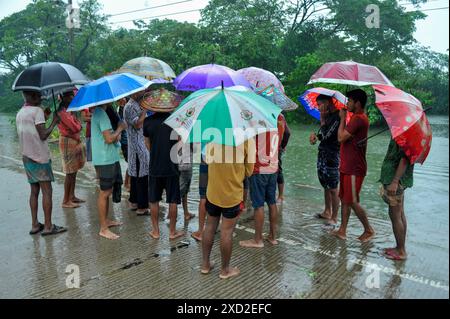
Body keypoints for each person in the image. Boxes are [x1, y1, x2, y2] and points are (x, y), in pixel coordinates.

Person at [16, 90, 67, 236]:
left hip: (26, 157)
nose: (41, 98)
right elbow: (43, 135)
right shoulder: (37, 111)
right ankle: (49, 226)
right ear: (32, 96)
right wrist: (54, 122)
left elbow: (31, 130)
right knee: (47, 191)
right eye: (38, 95)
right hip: (39, 158)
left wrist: (46, 116)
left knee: (34, 191)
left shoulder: (20, 112)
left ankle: (35, 224)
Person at [201, 141, 255, 279]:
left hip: (213, 192)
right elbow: (249, 171)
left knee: (209, 227)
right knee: (227, 232)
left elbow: (206, 160)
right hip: (232, 194)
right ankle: (225, 270)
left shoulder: (213, 136)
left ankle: (205, 265)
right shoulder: (247, 139)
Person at [331, 89, 375, 242]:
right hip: (347, 165)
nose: (347, 103)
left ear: (357, 103)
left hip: (354, 168)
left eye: (349, 100)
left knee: (352, 201)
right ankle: (342, 230)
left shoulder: (359, 119)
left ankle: (369, 230)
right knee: (345, 199)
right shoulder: (356, 117)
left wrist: (342, 119)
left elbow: (341, 138)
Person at [239, 117, 283, 248]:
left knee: (258, 205)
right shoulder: (279, 119)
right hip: (273, 166)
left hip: (259, 167)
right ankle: (273, 237)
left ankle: (257, 239)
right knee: (271, 202)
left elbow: (249, 141)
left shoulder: (258, 120)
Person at [143, 109, 184, 240]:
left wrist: (155, 153)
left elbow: (147, 143)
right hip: (172, 166)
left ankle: (156, 231)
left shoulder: (148, 121)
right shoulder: (175, 121)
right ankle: (172, 232)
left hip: (155, 166)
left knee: (154, 199)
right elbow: (180, 142)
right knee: (173, 200)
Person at [91, 102, 127, 240]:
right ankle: (103, 228)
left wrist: (116, 132)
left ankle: (105, 221)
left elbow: (112, 137)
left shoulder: (102, 113)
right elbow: (109, 138)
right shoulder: (100, 113)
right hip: (104, 158)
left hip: (109, 157)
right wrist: (120, 128)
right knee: (105, 192)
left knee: (108, 190)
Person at [380, 138, 414, 260]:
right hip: (397, 180)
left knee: (395, 215)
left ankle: (401, 251)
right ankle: (400, 247)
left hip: (396, 181)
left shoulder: (406, 134)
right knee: (399, 214)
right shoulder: (402, 132)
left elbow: (404, 159)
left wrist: (394, 181)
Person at [310, 95, 341, 225]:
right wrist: (315, 137)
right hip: (323, 153)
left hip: (332, 155)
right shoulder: (328, 116)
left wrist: (322, 120)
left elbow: (329, 136)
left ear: (327, 103)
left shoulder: (337, 117)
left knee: (333, 187)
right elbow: (323, 137)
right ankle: (327, 211)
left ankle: (334, 217)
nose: (318, 108)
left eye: (319, 105)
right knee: (325, 184)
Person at [57, 90, 86, 209]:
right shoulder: (61, 112)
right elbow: (75, 127)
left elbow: (78, 125)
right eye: (70, 96)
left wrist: (77, 125)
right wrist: (77, 125)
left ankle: (72, 196)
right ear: (64, 97)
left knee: (74, 171)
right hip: (67, 141)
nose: (72, 97)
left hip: (73, 141)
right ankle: (65, 200)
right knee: (69, 171)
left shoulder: (68, 111)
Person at [123, 91, 150, 215]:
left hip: (140, 145)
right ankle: (142, 207)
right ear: (134, 93)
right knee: (141, 176)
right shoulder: (129, 106)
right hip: (137, 146)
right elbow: (138, 124)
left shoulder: (136, 104)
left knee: (136, 175)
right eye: (141, 91)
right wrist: (145, 111)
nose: (143, 92)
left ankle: (134, 201)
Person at [191, 150, 208, 241]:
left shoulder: (202, 135)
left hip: (205, 162)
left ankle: (201, 232)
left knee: (203, 197)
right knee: (218, 196)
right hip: (220, 164)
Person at [178, 142, 195, 221]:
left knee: (183, 192)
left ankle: (186, 213)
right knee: (181, 192)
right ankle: (173, 214)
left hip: (176, 167)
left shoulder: (176, 134)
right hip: (186, 168)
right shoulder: (189, 137)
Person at [277, 112, 290, 203]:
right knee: (278, 169)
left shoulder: (263, 112)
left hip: (267, 147)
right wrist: (282, 146)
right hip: (277, 147)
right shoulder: (281, 116)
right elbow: (287, 133)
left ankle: (280, 195)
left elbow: (287, 133)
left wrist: (282, 146)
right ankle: (280, 195)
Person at [117, 98, 130, 190]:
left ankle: (127, 183)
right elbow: (120, 122)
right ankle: (126, 184)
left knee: (132, 163)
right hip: (125, 141)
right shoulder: (119, 110)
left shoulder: (128, 107)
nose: (123, 100)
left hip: (129, 140)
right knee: (131, 163)